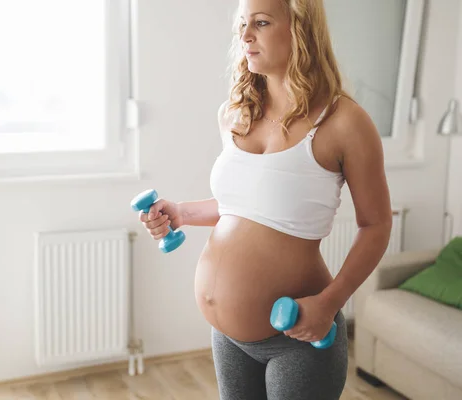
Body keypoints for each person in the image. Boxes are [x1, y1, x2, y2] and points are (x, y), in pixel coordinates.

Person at [137, 0, 392, 398]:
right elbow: (244, 206)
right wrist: (182, 212)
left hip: (297, 342)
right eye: (242, 23)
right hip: (227, 337)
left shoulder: (344, 122)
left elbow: (376, 225)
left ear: (300, 29)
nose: (245, 35)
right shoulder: (236, 112)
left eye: (261, 22)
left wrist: (329, 304)